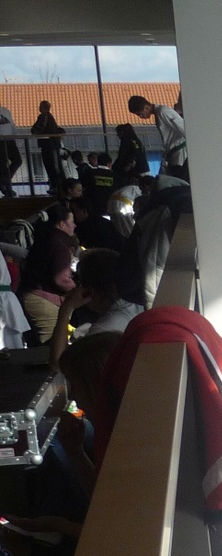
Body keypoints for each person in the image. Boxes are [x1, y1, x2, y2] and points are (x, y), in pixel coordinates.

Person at [48, 249, 143, 369]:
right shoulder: (143, 303)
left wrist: (66, 309)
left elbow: (59, 364)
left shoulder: (102, 332)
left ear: (88, 292)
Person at [18, 204, 78, 345]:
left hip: (31, 295)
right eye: (72, 221)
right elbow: (61, 279)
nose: (74, 225)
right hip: (42, 300)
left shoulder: (45, 239)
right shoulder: (58, 245)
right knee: (52, 345)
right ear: (62, 224)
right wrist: (77, 290)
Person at [127, 95, 188, 179]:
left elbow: (184, 129)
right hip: (172, 152)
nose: (141, 117)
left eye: (140, 114)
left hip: (179, 151)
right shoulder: (158, 113)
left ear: (146, 107)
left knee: (179, 179)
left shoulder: (163, 112)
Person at [30, 101, 66, 196]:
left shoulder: (44, 116)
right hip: (52, 144)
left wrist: (34, 131)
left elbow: (38, 128)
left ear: (43, 107)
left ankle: (56, 186)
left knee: (51, 166)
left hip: (48, 145)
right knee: (54, 166)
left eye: (40, 106)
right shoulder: (50, 117)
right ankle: (57, 186)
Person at [0, 109, 21, 198]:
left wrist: (14, 136)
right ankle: (7, 189)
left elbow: (12, 124)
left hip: (10, 140)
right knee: (3, 165)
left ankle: (3, 181)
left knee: (18, 161)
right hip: (1, 141)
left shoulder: (5, 110)